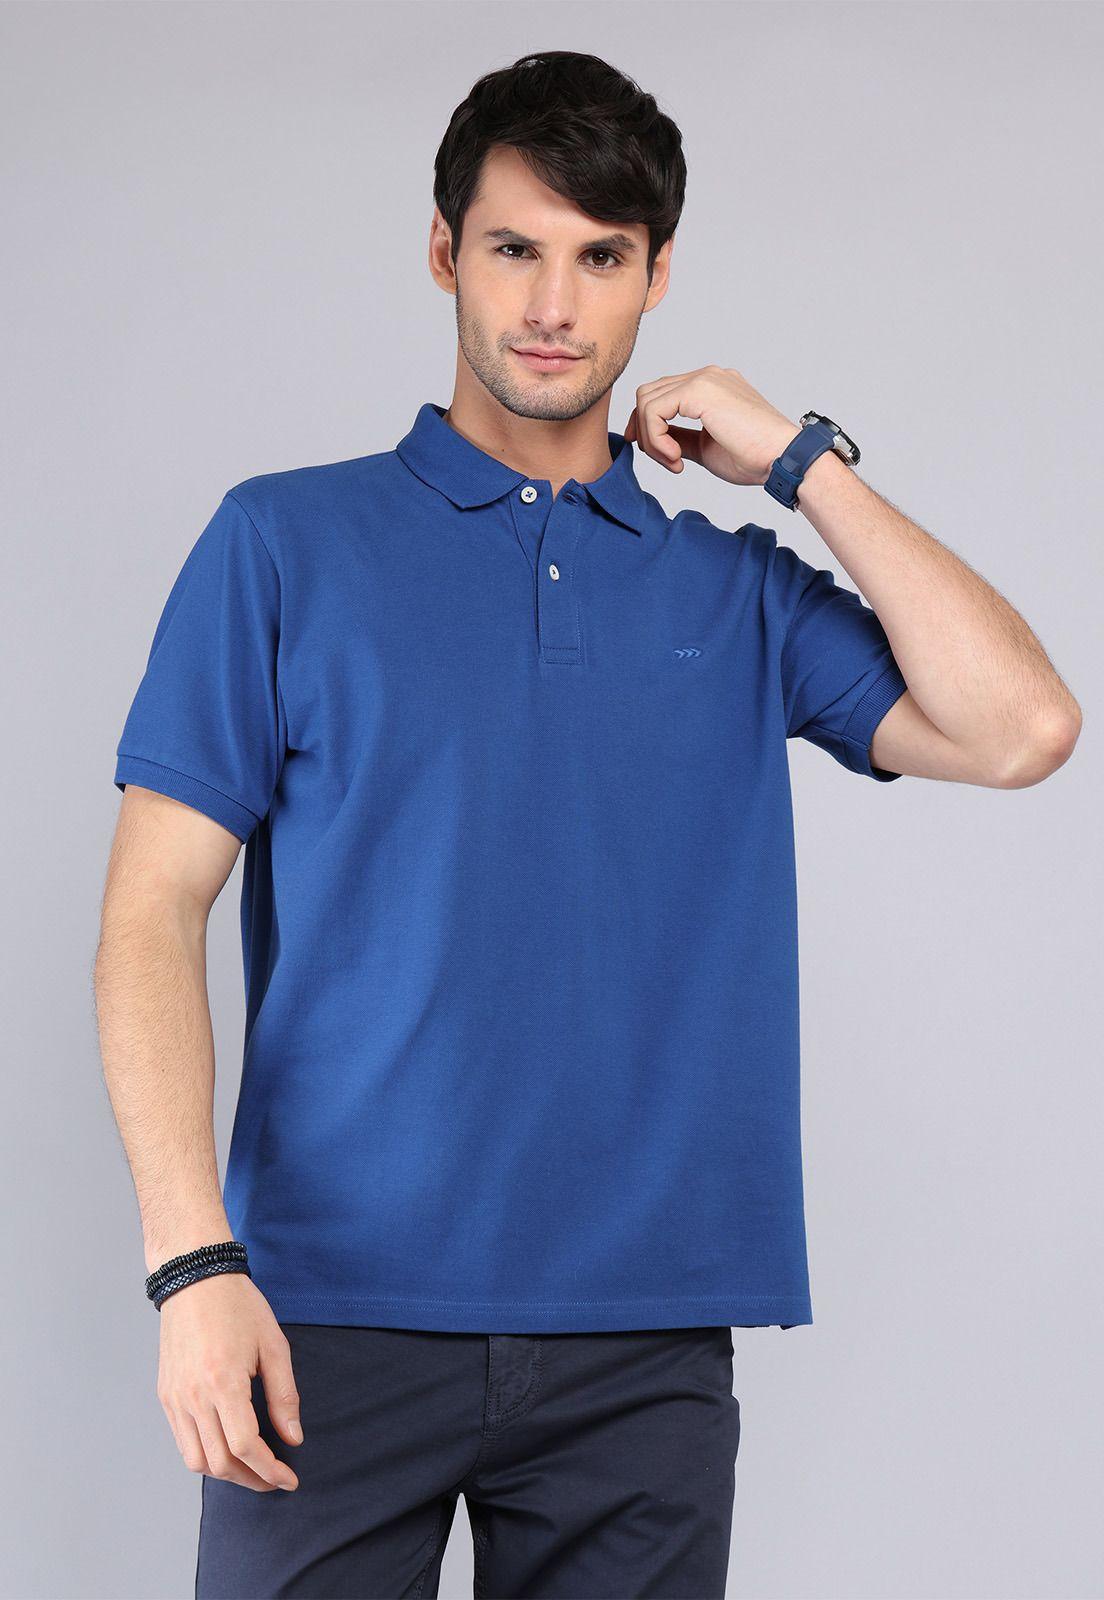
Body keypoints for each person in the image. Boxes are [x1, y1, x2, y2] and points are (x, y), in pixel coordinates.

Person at [93, 49, 1081, 1600]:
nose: (554, 304)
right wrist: (191, 1263)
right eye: (515, 248)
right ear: (444, 253)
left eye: (601, 257)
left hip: (644, 1340)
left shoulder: (732, 592)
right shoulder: (283, 544)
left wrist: (801, 465)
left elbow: (1024, 728)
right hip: (325, 1316)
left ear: (656, 277)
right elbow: (152, 909)